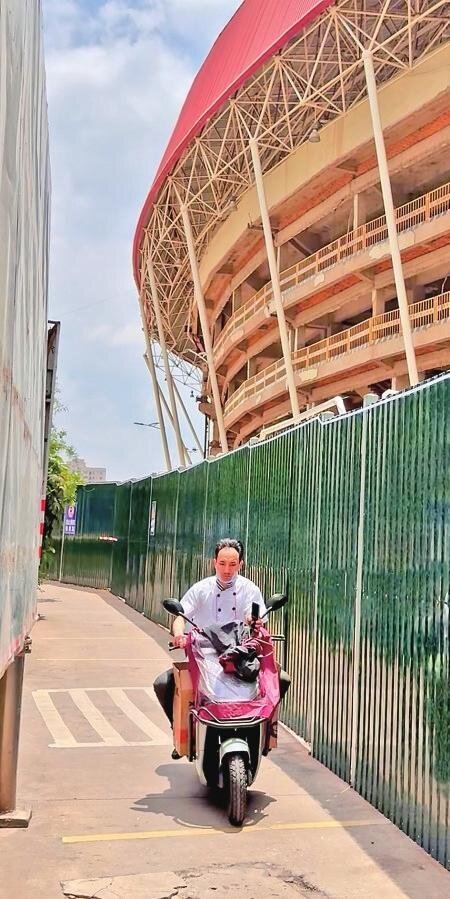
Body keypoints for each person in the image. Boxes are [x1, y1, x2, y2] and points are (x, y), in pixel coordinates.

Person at [153, 537, 291, 757]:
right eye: (222, 563)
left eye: (233, 564)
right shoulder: (201, 589)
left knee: (281, 679)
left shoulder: (249, 589)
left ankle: (266, 736)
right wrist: (179, 635)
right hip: (205, 656)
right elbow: (180, 615)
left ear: (241, 564)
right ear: (214, 562)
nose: (227, 570)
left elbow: (257, 617)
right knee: (163, 683)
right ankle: (181, 733)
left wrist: (254, 621)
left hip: (240, 658)